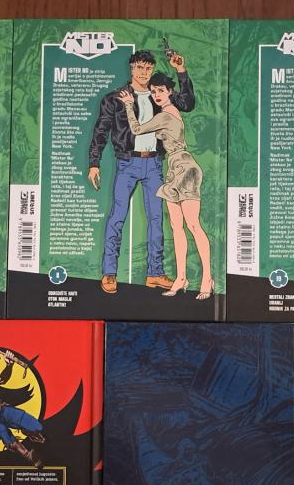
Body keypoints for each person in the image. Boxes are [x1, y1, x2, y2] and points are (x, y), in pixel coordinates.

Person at [87, 49, 195, 294]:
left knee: (156, 219)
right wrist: (94, 162)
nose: (144, 72)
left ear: (152, 69)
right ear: (131, 68)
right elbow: (101, 130)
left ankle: (155, 273)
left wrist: (181, 70)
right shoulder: (115, 98)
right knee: (117, 216)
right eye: (139, 67)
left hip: (154, 164)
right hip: (127, 163)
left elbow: (187, 104)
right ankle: (109, 272)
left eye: (148, 68)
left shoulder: (160, 96)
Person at [118, 72, 213, 299]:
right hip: (173, 168)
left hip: (186, 168)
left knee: (193, 225)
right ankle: (181, 278)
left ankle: (207, 278)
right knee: (176, 227)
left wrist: (129, 105)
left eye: (161, 90)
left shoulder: (167, 114)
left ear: (170, 92)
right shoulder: (166, 112)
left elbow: (137, 130)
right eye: (153, 92)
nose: (157, 95)